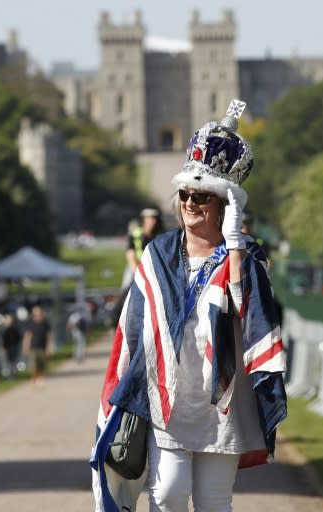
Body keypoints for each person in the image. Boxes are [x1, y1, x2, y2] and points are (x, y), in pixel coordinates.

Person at [91, 99, 287, 512]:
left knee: (214, 502)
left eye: (203, 195)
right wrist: (118, 390)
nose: (190, 203)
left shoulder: (247, 256)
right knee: (166, 495)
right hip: (168, 400)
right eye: (185, 193)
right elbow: (132, 328)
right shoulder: (158, 253)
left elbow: (251, 314)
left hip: (222, 406)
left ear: (225, 203)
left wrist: (233, 244)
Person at [111, 208, 164, 327]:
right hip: (136, 267)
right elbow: (130, 254)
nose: (153, 221)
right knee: (126, 289)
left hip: (153, 268)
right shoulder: (136, 234)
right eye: (150, 218)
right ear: (144, 220)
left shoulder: (160, 236)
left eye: (155, 219)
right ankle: (116, 320)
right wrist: (137, 271)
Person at [22, 305, 53, 388]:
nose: (38, 313)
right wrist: (26, 347)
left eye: (39, 312)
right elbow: (27, 336)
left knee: (42, 367)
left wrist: (49, 348)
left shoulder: (45, 323)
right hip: (33, 348)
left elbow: (49, 337)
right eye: (36, 312)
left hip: (42, 348)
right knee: (33, 367)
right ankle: (34, 381)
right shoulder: (31, 324)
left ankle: (40, 381)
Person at [1, 314, 21, 378]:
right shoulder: (4, 330)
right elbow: (2, 340)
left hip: (14, 347)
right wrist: (3, 347)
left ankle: (13, 374)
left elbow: (18, 338)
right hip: (7, 348)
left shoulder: (15, 329)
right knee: (7, 362)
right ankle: (9, 375)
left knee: (14, 361)